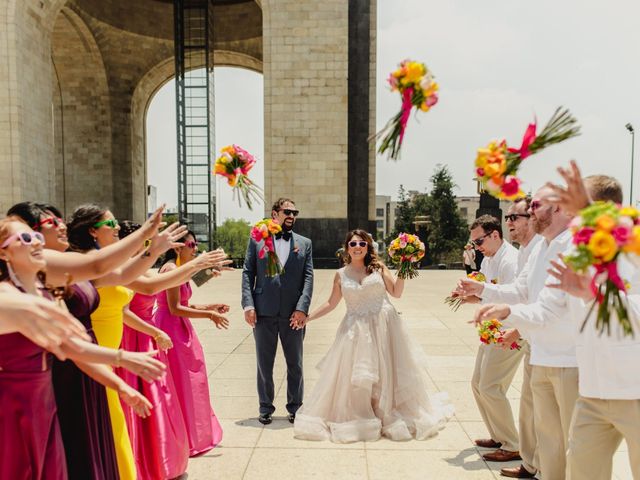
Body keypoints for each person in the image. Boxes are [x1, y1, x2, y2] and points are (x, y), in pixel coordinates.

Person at [292, 229, 453, 442]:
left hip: (384, 325)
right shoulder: (340, 274)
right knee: (359, 375)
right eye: (353, 244)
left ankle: (384, 410)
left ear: (368, 247)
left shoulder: (378, 268)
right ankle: (363, 412)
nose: (357, 247)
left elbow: (396, 292)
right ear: (346, 248)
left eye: (362, 244)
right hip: (355, 329)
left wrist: (405, 264)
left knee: (385, 370)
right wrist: (308, 317)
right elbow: (331, 303)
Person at [153, 229, 229, 457]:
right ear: (177, 247)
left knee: (191, 381)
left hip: (181, 328)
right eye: (191, 245)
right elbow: (174, 308)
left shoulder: (180, 270)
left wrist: (210, 306)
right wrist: (210, 316)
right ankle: (181, 437)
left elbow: (185, 303)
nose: (195, 249)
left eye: (196, 245)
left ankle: (192, 433)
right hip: (170, 328)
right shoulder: (171, 269)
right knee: (181, 381)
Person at [242, 197, 314, 425]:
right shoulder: (257, 240)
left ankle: (296, 407)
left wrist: (302, 308)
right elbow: (247, 272)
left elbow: (308, 278)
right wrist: (249, 304)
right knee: (265, 364)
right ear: (275, 214)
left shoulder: (305, 243)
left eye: (295, 212)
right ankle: (265, 407)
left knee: (296, 363)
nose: (291, 216)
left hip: (293, 314)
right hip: (263, 312)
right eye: (287, 211)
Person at [460, 215, 522, 463]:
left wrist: (478, 298)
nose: (476, 247)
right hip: (492, 328)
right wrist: (468, 294)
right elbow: (486, 292)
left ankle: (512, 444)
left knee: (491, 387)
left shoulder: (511, 261)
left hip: (510, 331)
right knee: (477, 384)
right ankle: (498, 435)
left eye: (479, 241)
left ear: (495, 234)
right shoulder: (488, 259)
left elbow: (512, 299)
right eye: (474, 243)